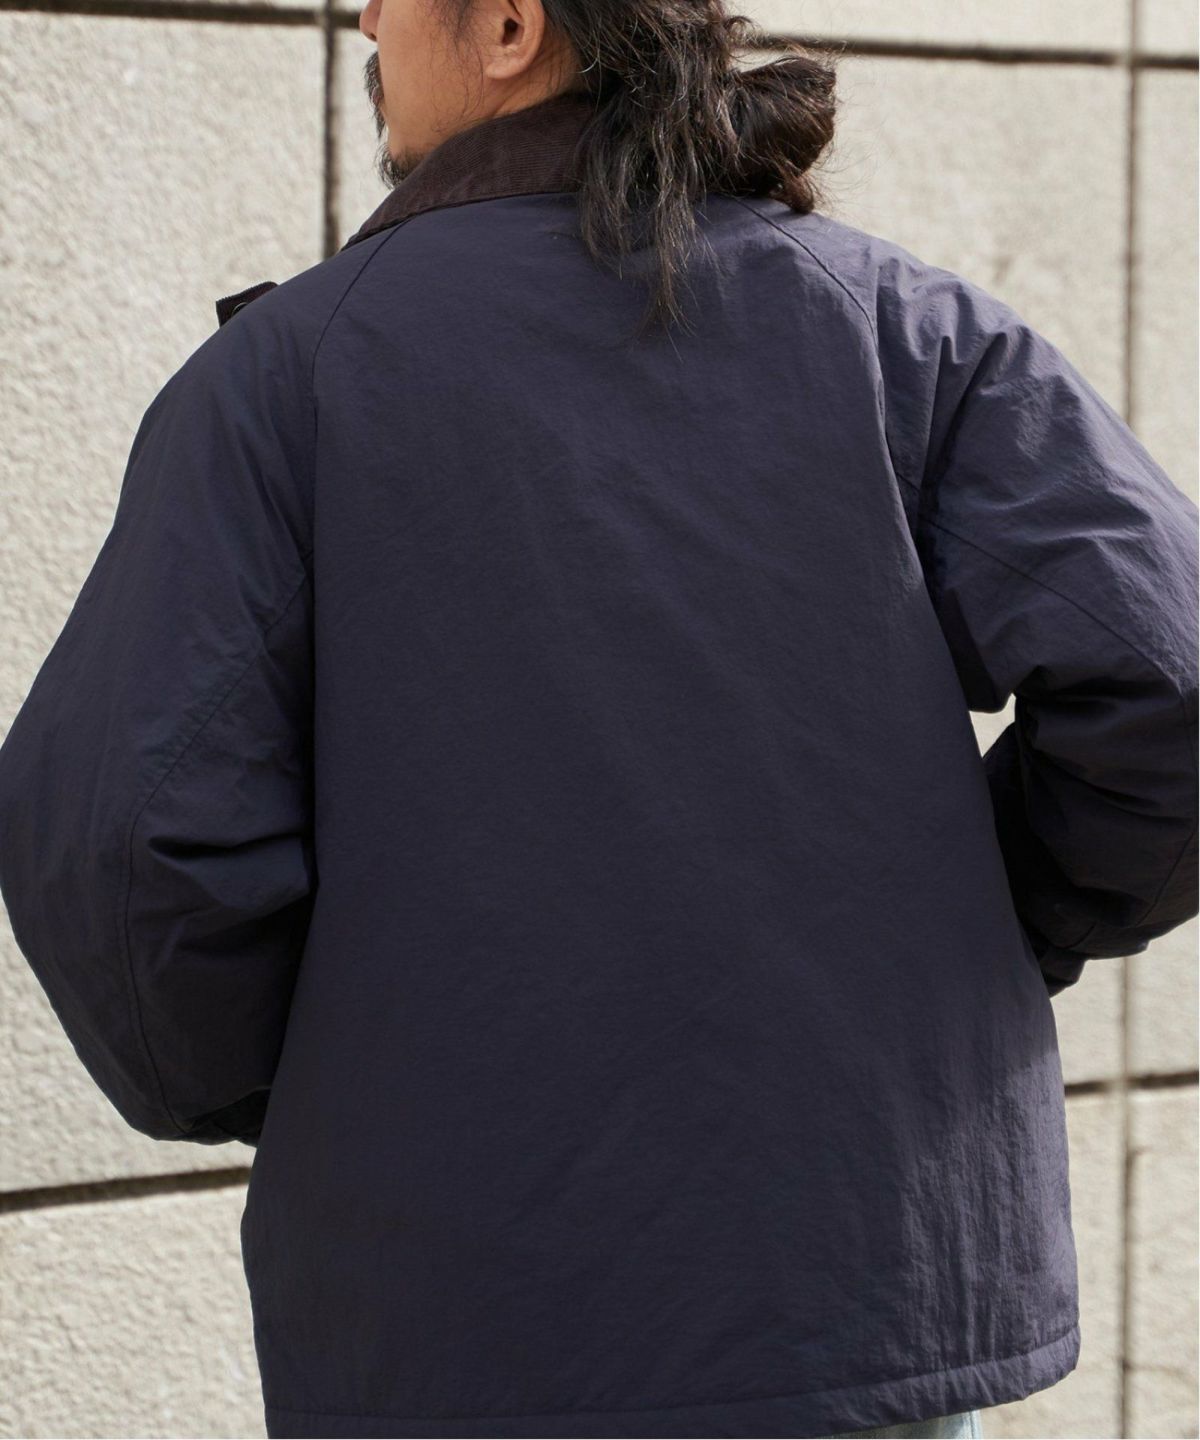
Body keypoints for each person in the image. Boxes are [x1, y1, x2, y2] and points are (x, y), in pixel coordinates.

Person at [0, 2, 1195, 1437]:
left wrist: (339, 1082)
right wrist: (985, 932)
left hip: (466, 1309)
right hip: (864, 1281)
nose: (366, 19)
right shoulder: (906, 332)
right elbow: (1171, 680)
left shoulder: (288, 380)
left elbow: (126, 846)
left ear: (510, 24)